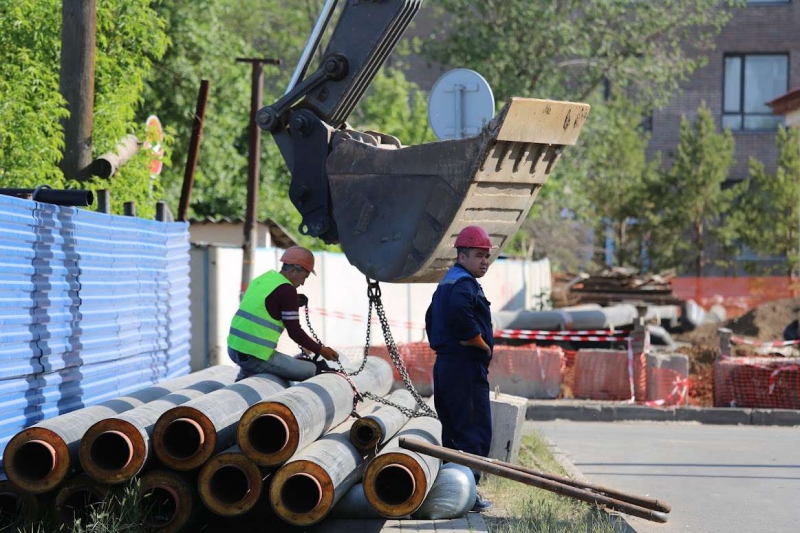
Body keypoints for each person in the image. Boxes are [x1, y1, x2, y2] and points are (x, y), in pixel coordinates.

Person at [425, 225, 495, 513]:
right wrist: (478, 343)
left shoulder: (447, 282)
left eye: (487, 256)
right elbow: (460, 314)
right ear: (462, 256)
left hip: (447, 365)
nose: (485, 261)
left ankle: (453, 490)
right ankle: (469, 493)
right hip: (465, 368)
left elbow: (430, 317)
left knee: (453, 431)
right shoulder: (464, 285)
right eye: (479, 255)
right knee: (473, 431)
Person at [227, 245, 340, 382]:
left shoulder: (263, 279)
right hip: (255, 356)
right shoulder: (287, 290)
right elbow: (295, 332)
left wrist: (293, 300)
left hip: (234, 349)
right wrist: (321, 350)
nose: (303, 283)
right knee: (311, 369)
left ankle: (243, 377)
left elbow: (267, 304)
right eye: (304, 277)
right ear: (293, 270)